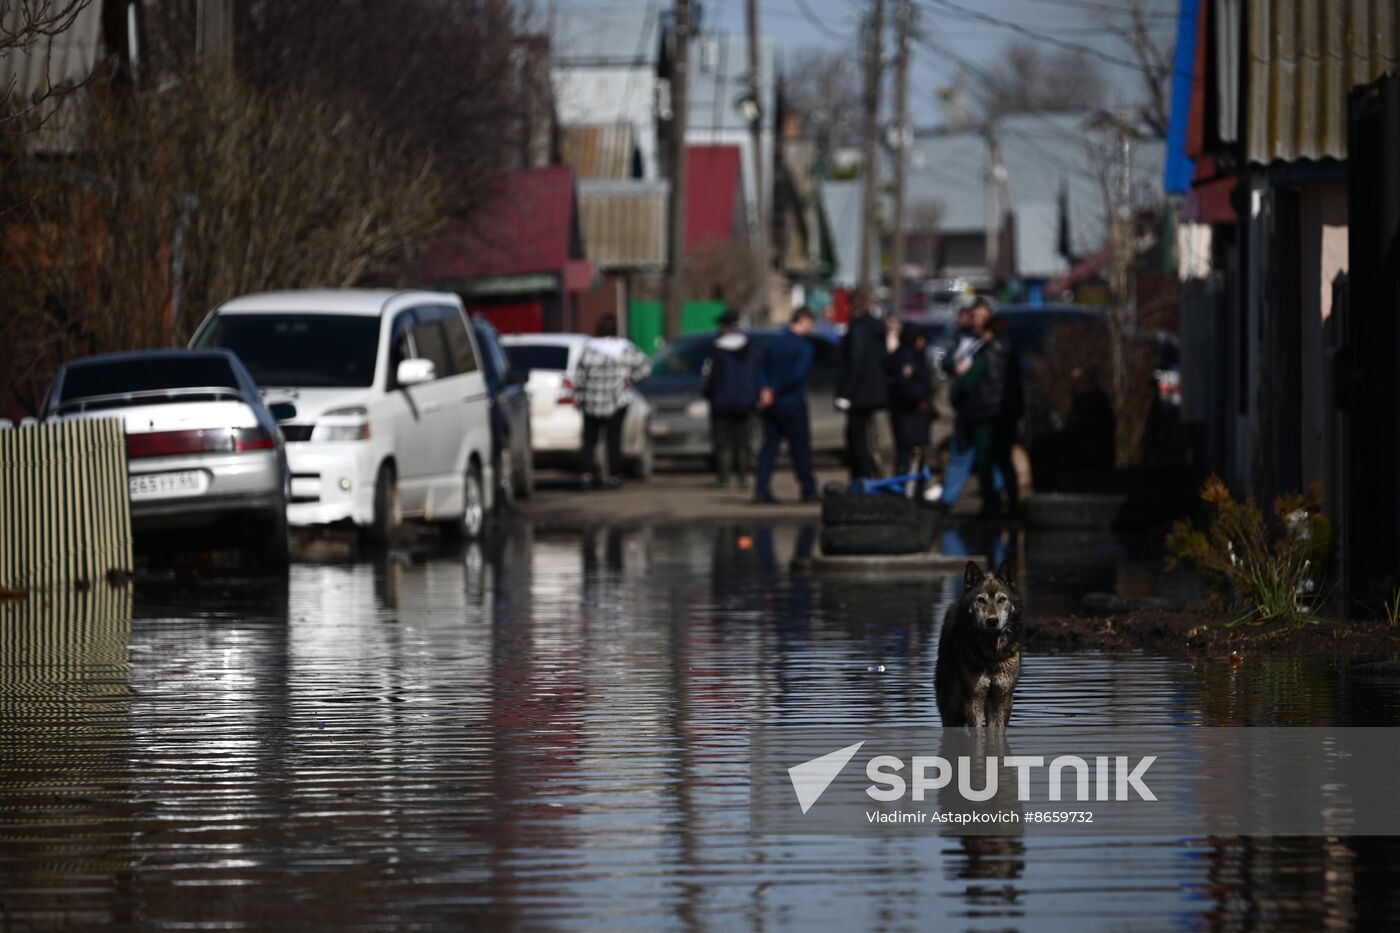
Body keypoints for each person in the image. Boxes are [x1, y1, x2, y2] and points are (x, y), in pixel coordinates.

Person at [955, 304, 1022, 518]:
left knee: (985, 461)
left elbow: (969, 382)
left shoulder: (986, 352)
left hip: (986, 413)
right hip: (1006, 413)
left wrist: (959, 387)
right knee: (1004, 460)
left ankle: (991, 505)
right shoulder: (1010, 350)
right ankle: (1013, 504)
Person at [938, 300, 1002, 511]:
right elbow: (946, 361)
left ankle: (995, 498)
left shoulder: (994, 344)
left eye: (981, 317)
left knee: (989, 457)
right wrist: (954, 366)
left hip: (985, 408)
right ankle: (947, 501)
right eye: (974, 317)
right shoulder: (961, 337)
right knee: (960, 454)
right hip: (965, 408)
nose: (976, 322)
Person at [574, 315, 651, 490]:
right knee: (613, 440)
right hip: (616, 402)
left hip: (591, 402)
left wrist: (579, 396)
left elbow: (579, 377)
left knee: (589, 441)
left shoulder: (589, 349)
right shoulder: (625, 349)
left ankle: (586, 476)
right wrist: (631, 380)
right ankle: (614, 477)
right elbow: (646, 367)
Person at [754, 307, 820, 504]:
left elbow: (760, 368)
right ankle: (807, 489)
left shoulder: (774, 342)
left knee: (769, 448)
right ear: (804, 320)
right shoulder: (804, 347)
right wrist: (775, 389)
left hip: (772, 404)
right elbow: (797, 375)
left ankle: (761, 488)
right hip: (792, 402)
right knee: (800, 448)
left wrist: (765, 389)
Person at [701, 310, 759, 488]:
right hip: (746, 401)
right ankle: (742, 479)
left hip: (722, 402)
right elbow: (756, 373)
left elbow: (708, 375)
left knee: (723, 440)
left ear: (723, 327)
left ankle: (724, 478)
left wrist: (707, 394)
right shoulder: (749, 346)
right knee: (743, 440)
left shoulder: (716, 348)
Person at [836, 288, 889, 479]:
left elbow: (855, 361)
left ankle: (862, 476)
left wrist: (845, 392)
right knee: (870, 436)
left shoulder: (857, 327)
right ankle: (871, 472)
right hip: (875, 391)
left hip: (859, 393)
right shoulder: (877, 326)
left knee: (856, 436)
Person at [886, 323, 934, 491]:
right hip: (908, 413)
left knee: (917, 453)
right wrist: (919, 398)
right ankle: (906, 488)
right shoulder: (905, 357)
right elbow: (904, 385)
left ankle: (916, 487)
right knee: (907, 453)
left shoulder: (916, 355)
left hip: (914, 414)